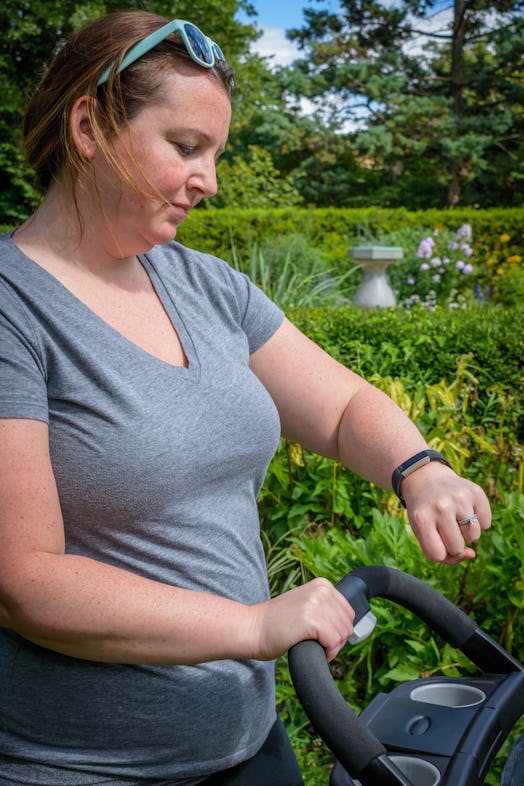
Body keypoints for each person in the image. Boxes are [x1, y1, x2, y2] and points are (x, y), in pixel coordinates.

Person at [0, 10, 491, 786]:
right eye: (187, 147)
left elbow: (337, 406)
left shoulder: (206, 285)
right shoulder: (12, 309)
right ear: (89, 126)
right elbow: (26, 582)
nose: (212, 181)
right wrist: (255, 625)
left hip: (247, 744)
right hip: (81, 766)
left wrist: (419, 469)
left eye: (216, 153)